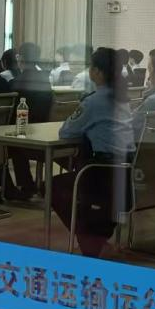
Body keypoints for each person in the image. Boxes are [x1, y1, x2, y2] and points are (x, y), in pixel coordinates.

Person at [50, 47, 134, 257]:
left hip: (102, 172)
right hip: (126, 171)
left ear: (97, 72)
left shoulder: (94, 101)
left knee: (52, 187)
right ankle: (96, 236)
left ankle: (90, 238)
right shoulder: (122, 98)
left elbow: (66, 131)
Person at [5, 42, 53, 200]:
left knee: (4, 143)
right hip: (45, 132)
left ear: (21, 59)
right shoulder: (45, 80)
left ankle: (18, 186)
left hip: (26, 136)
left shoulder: (17, 82)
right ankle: (24, 185)